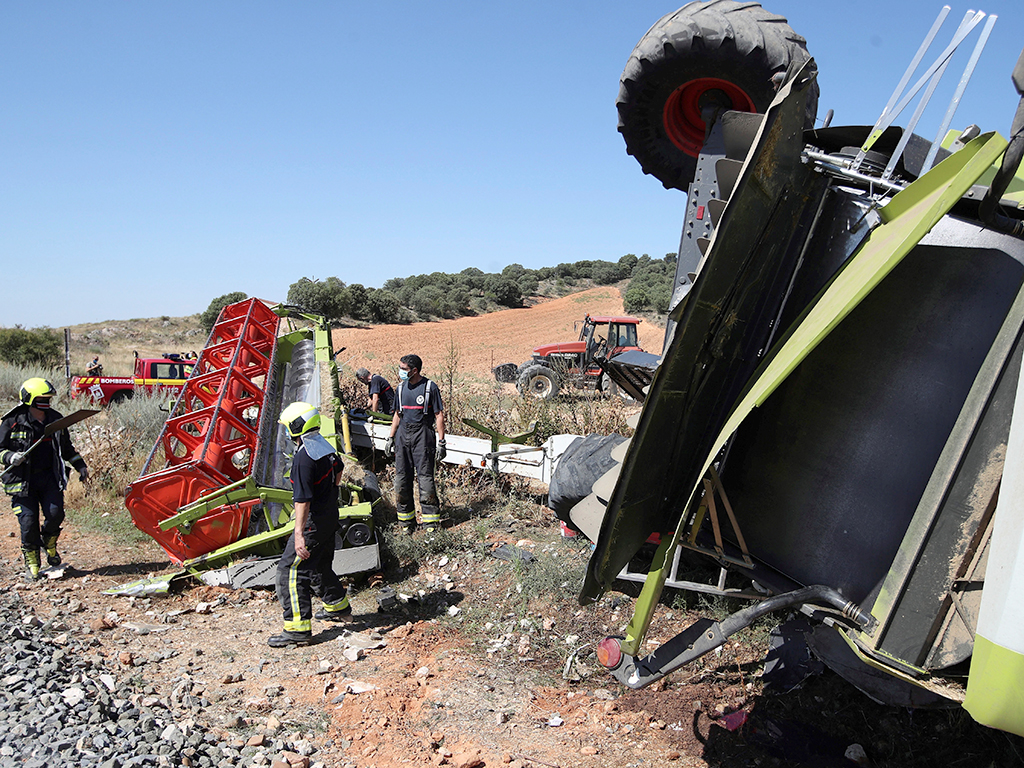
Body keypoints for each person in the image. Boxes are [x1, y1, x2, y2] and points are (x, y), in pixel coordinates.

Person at [269, 401, 352, 648]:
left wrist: (299, 534)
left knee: (290, 572)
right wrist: (330, 492)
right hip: (329, 517)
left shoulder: (304, 458)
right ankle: (337, 606)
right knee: (319, 565)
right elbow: (340, 470)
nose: (286, 432)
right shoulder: (325, 447)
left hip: (313, 523)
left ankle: (297, 630)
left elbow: (302, 500)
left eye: (288, 427)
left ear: (297, 427)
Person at [0, 378, 88, 579]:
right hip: (21, 481)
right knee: (28, 521)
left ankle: (49, 542)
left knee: (56, 514)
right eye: (42, 398)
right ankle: (32, 561)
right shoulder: (11, 421)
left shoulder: (56, 420)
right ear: (29, 399)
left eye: (48, 398)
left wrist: (80, 465)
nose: (46, 402)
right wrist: (11, 457)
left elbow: (67, 449)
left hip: (50, 478)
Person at [384, 354, 446, 534]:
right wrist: (390, 437)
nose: (400, 372)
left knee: (425, 480)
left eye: (403, 369)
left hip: (423, 435)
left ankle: (430, 525)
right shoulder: (400, 388)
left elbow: (439, 415)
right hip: (403, 435)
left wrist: (441, 442)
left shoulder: (429, 388)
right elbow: (397, 414)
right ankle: (406, 523)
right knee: (402, 480)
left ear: (415, 370)